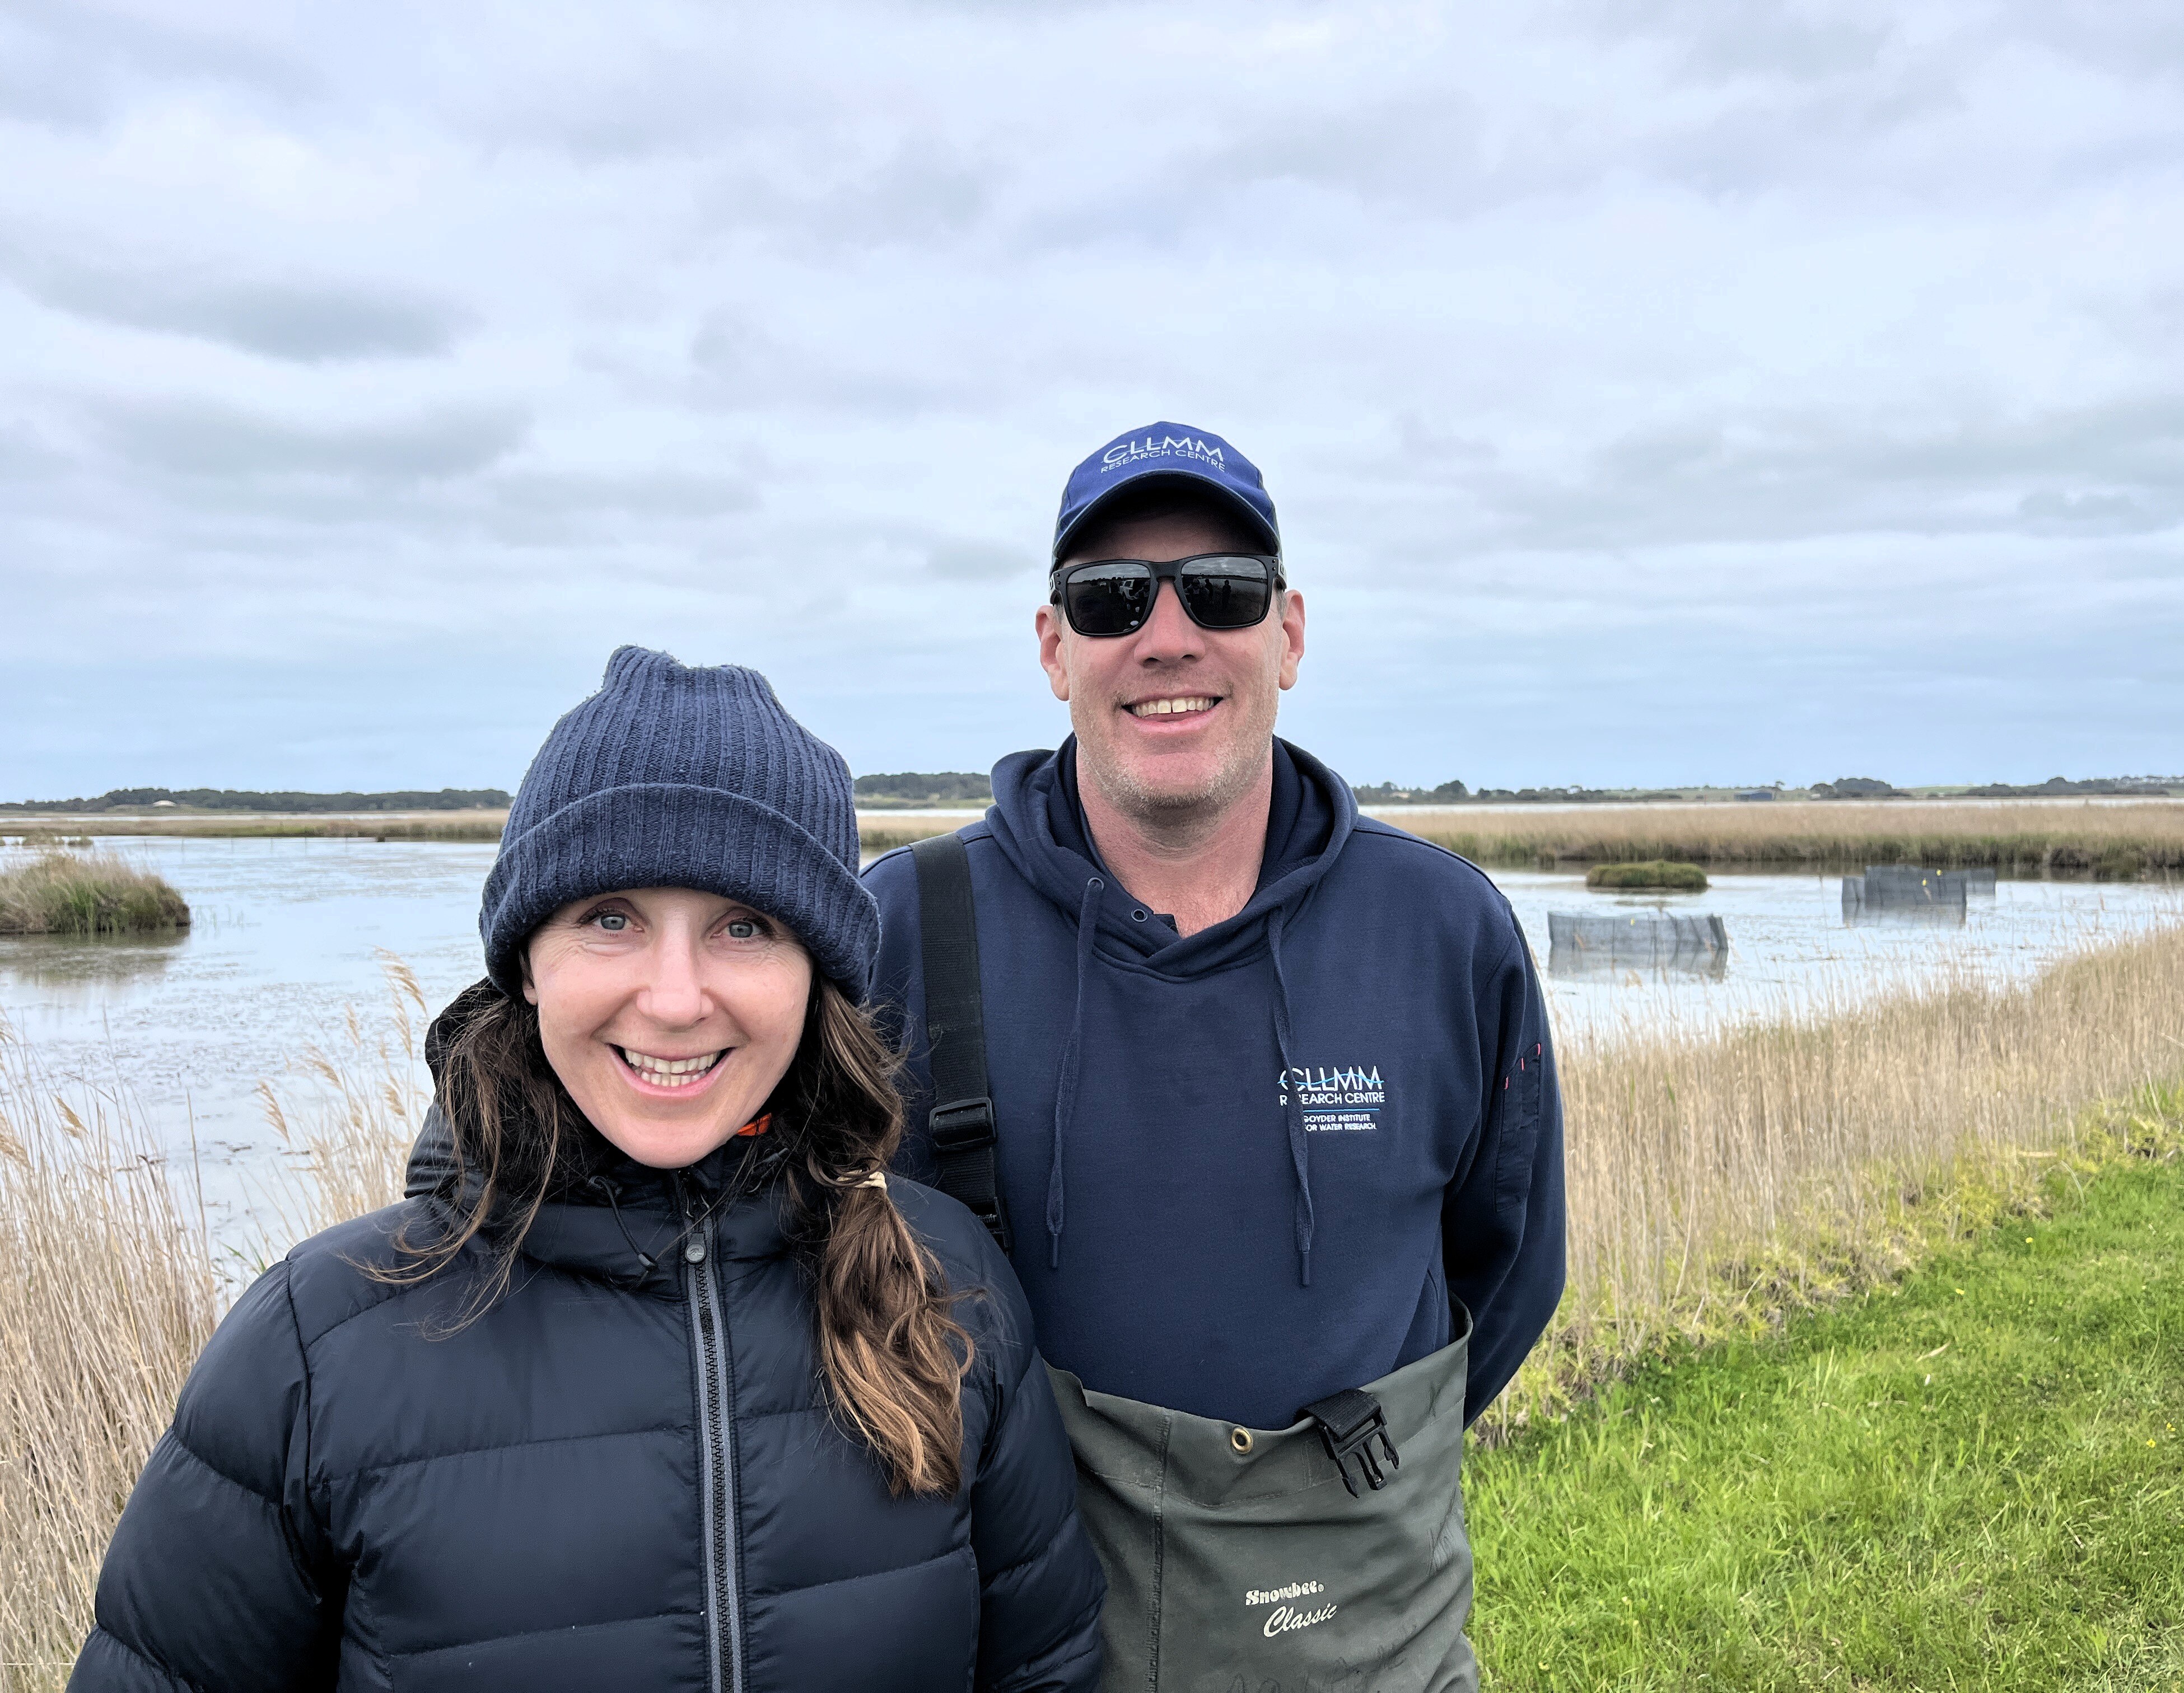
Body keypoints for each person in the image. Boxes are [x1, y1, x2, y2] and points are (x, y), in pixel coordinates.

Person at [73, 647, 1105, 1693]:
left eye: (744, 927)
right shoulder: (318, 1345)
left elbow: (1046, 1674)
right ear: (526, 960)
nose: (672, 998)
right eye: (610, 919)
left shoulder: (948, 1289)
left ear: (820, 976)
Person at [864, 424, 1567, 1690]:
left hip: (1374, 1651)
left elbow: (1505, 1272)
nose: (1169, 636)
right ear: (1053, 646)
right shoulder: (901, 933)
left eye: (1224, 591)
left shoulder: (1445, 932)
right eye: (1113, 597)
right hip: (1027, 1653)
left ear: (1289, 634)